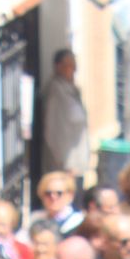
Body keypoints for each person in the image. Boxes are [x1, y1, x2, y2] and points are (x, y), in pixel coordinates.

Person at [39, 48, 90, 178]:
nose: (73, 70)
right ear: (58, 67)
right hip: (66, 166)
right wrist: (65, 163)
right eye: (69, 66)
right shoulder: (56, 91)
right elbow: (55, 130)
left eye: (74, 66)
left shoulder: (71, 90)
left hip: (77, 163)